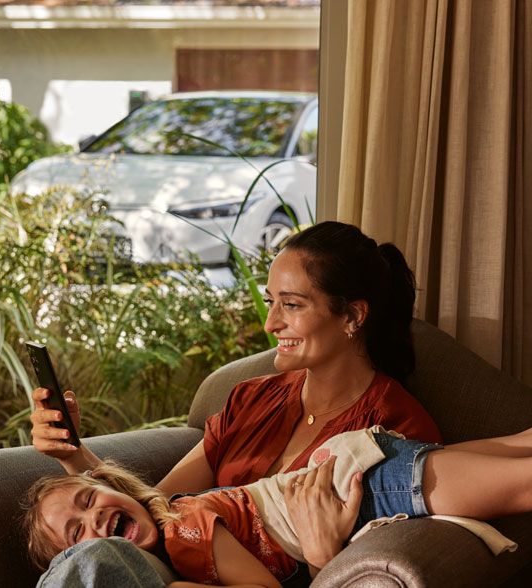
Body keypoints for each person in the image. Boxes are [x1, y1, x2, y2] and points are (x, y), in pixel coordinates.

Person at [23, 364, 532, 587]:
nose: (92, 524)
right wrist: (74, 465)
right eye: (73, 532)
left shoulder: (186, 530)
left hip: (365, 483)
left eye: (90, 503)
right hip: (358, 461)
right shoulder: (175, 518)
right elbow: (116, 509)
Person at [28, 222, 443, 584]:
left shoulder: (392, 427)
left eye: (291, 305)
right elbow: (157, 506)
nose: (270, 323)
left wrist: (321, 561)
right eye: (270, 302)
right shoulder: (253, 398)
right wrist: (72, 456)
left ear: (352, 316)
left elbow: (370, 565)